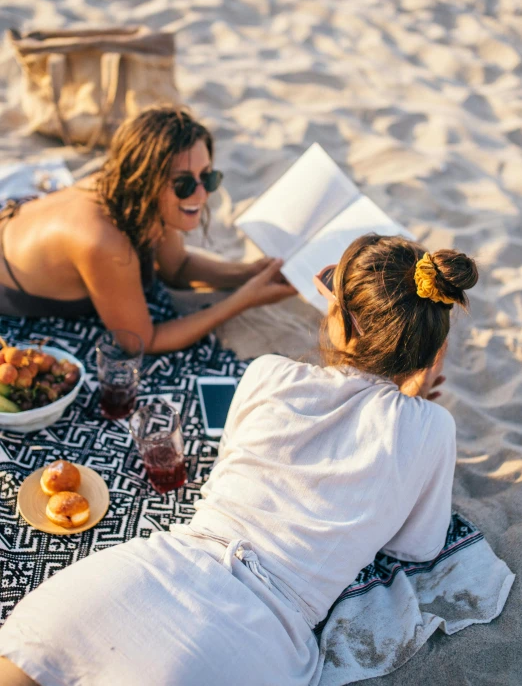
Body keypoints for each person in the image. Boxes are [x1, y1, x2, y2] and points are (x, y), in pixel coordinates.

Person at [0, 233, 478, 686]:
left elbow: (233, 464)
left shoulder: (268, 373)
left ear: (343, 320)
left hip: (146, 574)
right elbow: (417, 546)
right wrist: (411, 400)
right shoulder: (431, 429)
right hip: (254, 635)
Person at [0, 106, 295, 352]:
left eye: (208, 177)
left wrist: (248, 274)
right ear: (146, 180)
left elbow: (177, 268)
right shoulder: (104, 242)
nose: (202, 194)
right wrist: (243, 300)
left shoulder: (138, 197)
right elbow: (141, 341)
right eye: (184, 184)